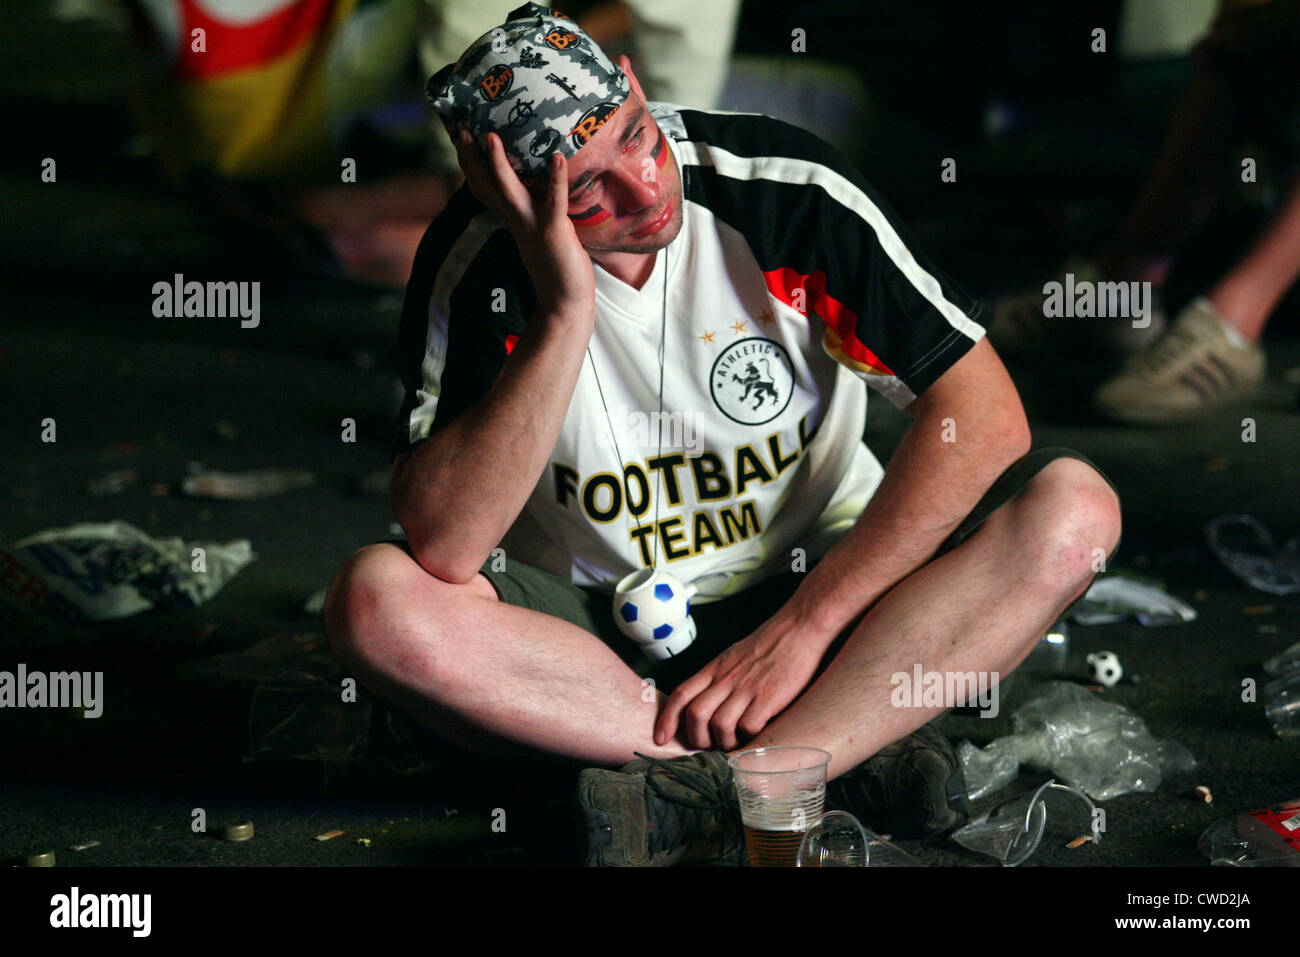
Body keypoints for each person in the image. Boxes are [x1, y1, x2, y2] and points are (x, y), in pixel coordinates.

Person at [323, 3, 1122, 866]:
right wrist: (564, 313)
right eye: (586, 191)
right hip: (598, 646)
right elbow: (444, 542)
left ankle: (710, 786)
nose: (645, 189)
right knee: (375, 600)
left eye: (635, 135)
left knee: (1074, 513)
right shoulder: (476, 263)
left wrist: (803, 630)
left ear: (632, 81)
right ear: (507, 195)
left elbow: (986, 418)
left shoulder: (778, 187)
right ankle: (832, 752)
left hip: (819, 582)